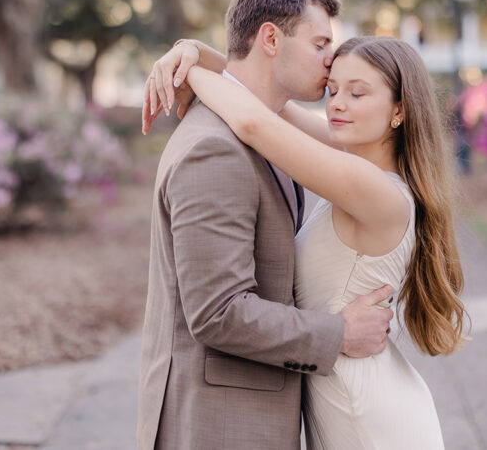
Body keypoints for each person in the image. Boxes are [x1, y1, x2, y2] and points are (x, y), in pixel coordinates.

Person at [145, 30, 468, 449]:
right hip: (346, 391)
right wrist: (189, 50)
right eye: (333, 89)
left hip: (365, 411)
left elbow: (252, 121)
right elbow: (261, 98)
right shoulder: (353, 160)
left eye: (357, 93)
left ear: (399, 110)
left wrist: (185, 71)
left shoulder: (372, 188)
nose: (337, 103)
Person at [136, 0, 396, 450]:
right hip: (218, 427)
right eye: (320, 44)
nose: (330, 60)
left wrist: (194, 58)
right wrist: (339, 333)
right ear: (271, 39)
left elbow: (255, 114)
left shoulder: (262, 131)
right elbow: (219, 312)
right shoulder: (215, 148)